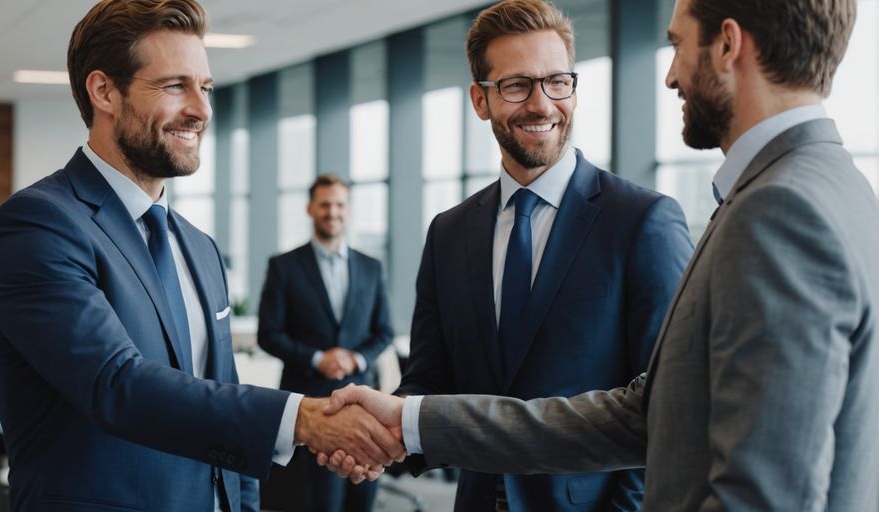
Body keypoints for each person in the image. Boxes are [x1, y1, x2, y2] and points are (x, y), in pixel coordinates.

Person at [323, 0, 879, 510]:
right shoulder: (829, 185)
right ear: (481, 98)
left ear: (728, 44)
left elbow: (762, 491)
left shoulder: (778, 210)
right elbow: (652, 411)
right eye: (517, 85)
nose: (669, 74)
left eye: (678, 45)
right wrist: (409, 422)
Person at [0, 1, 402, 511]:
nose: (201, 110)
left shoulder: (198, 247)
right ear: (104, 90)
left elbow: (222, 389)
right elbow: (117, 384)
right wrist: (305, 421)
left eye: (206, 88)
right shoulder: (38, 225)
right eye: (176, 86)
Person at [392, 0, 692, 509]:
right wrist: (369, 431)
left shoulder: (643, 223)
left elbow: (672, 409)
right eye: (517, 85)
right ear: (480, 100)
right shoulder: (449, 232)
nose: (541, 104)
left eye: (557, 81)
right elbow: (428, 382)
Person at [258, 174, 394, 512]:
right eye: (324, 205)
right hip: (309, 404)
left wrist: (356, 359)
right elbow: (268, 334)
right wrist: (318, 359)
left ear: (347, 211)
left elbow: (385, 331)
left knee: (362, 499)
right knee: (317, 504)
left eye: (339, 205)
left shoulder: (371, 268)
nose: (332, 212)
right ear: (310, 209)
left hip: (364, 403)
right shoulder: (284, 267)